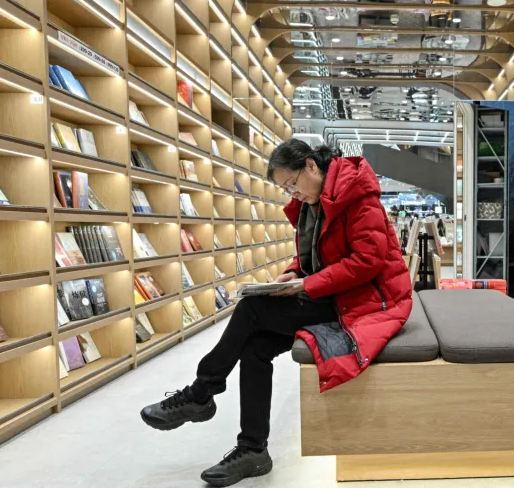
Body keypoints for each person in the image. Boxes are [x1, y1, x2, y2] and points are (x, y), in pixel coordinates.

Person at [140, 139, 413, 487]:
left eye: (291, 184)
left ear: (311, 166)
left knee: (252, 309)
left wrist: (306, 285)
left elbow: (368, 261)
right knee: (255, 347)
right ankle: (253, 450)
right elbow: (317, 254)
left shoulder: (358, 197)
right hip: (336, 293)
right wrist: (295, 272)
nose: (292, 194)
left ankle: (201, 392)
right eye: (285, 188)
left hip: (368, 302)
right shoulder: (316, 201)